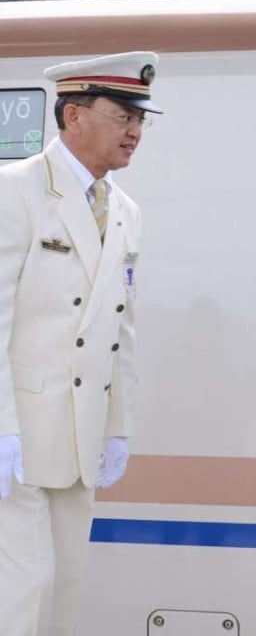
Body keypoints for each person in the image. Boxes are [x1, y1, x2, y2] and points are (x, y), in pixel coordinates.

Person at [0, 51, 161, 636]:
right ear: (74, 117)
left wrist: (117, 426)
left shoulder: (123, 211)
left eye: (142, 119)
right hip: (17, 435)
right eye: (123, 115)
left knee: (66, 586)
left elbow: (121, 330)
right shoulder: (14, 191)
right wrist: (1, 428)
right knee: (19, 591)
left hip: (79, 431)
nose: (136, 131)